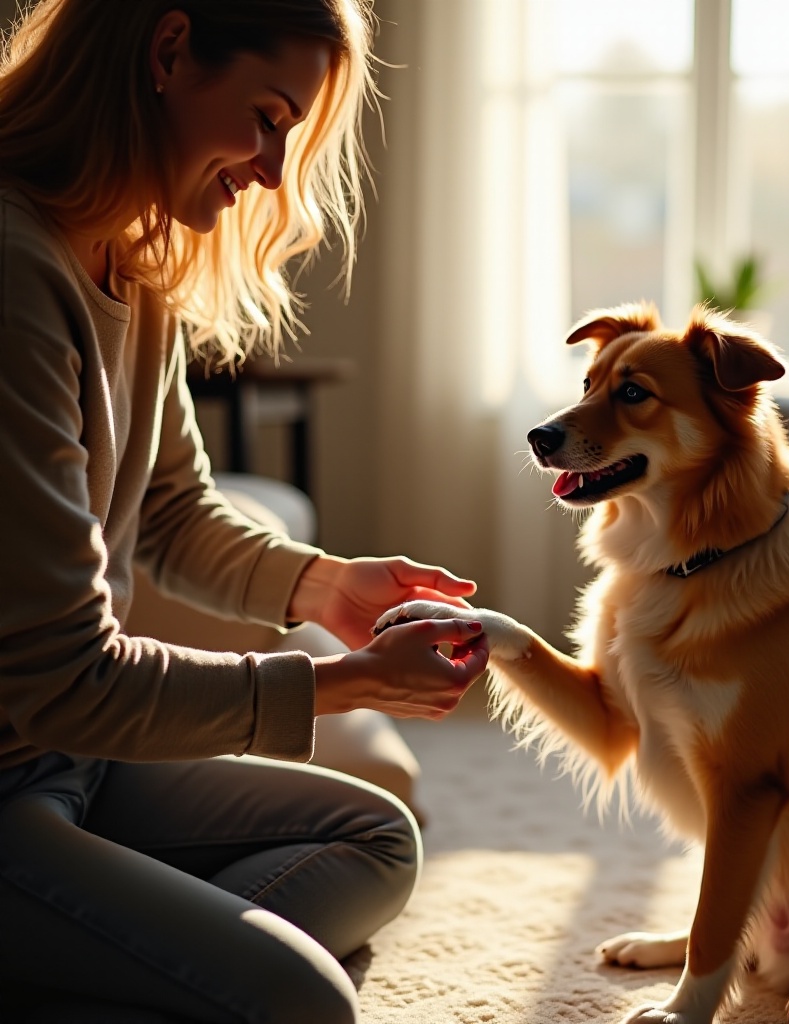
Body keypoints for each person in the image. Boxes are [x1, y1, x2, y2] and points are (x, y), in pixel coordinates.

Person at [0, 1, 489, 1021]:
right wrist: (341, 682)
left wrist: (328, 585)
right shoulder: (14, 273)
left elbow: (172, 510)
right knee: (301, 1001)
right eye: (267, 116)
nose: (273, 168)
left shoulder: (126, 263)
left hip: (70, 760)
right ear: (170, 50)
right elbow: (65, 677)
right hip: (18, 772)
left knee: (380, 835)